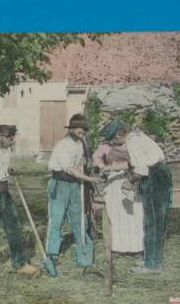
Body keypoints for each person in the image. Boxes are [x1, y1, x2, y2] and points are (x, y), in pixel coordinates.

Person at [0, 125, 39, 277]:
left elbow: (1, 169)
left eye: (13, 138)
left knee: (14, 228)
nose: (12, 142)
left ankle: (19, 263)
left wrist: (9, 171)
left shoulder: (7, 151)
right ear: (1, 137)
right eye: (10, 139)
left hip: (5, 193)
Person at [115, 123, 172, 273]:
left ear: (118, 136)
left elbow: (141, 171)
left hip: (154, 178)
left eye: (115, 140)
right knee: (156, 222)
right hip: (160, 174)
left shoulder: (132, 142)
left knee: (152, 222)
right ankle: (153, 260)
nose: (116, 144)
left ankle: (152, 265)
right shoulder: (139, 137)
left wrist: (129, 181)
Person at [46, 114, 100, 267]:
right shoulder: (63, 145)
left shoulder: (80, 144)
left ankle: (83, 252)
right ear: (71, 129)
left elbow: (80, 163)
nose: (82, 134)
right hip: (60, 183)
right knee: (57, 219)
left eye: (84, 131)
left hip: (75, 184)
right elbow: (69, 169)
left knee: (79, 218)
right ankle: (52, 253)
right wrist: (89, 179)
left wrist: (87, 174)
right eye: (80, 131)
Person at [93, 120, 144, 254]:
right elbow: (96, 157)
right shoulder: (105, 146)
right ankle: (119, 246)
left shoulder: (131, 144)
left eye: (114, 138)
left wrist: (112, 167)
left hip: (130, 178)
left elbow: (132, 163)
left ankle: (136, 247)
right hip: (114, 182)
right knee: (117, 213)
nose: (114, 141)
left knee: (133, 212)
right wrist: (102, 166)